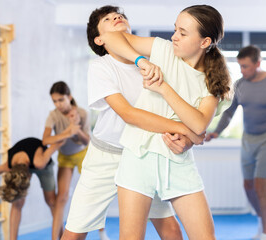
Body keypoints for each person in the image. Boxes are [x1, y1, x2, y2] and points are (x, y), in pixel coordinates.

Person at [61, 5, 207, 240]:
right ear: (99, 39)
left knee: (170, 229)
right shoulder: (102, 67)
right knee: (76, 230)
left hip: (143, 154)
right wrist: (186, 130)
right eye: (107, 19)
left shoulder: (159, 61)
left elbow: (175, 110)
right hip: (105, 157)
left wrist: (187, 138)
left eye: (119, 15)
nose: (117, 17)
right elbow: (128, 114)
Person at [97, 4, 231, 240]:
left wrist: (163, 88)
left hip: (178, 162)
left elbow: (199, 124)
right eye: (175, 29)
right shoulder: (162, 49)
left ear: (204, 42)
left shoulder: (214, 82)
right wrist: (141, 60)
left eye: (182, 32)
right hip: (138, 156)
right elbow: (110, 36)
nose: (174, 36)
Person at [205, 45, 266, 240]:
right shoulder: (240, 85)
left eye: (246, 66)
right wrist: (215, 132)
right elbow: (229, 113)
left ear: (258, 63)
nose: (242, 71)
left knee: (260, 186)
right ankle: (261, 219)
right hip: (249, 138)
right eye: (240, 66)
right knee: (248, 186)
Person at [0, 137, 63, 240]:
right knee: (17, 203)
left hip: (42, 165)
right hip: (25, 162)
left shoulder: (40, 162)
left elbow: (57, 143)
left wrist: (70, 132)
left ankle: (61, 236)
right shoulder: (9, 164)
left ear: (27, 176)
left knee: (52, 202)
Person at [42, 81, 105, 240]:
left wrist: (75, 129)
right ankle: (55, 238)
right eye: (55, 101)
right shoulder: (53, 115)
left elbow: (86, 141)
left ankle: (101, 232)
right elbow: (45, 140)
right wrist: (68, 132)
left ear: (69, 97)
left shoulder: (82, 113)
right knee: (61, 197)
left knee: (94, 192)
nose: (58, 104)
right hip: (65, 157)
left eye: (61, 100)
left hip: (82, 153)